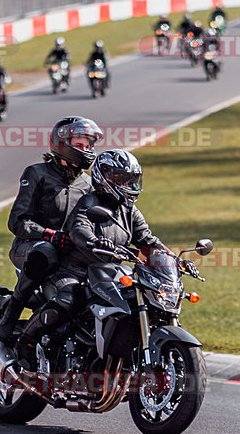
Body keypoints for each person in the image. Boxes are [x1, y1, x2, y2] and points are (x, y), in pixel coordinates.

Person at [14, 149, 166, 370]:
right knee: (69, 299)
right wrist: (95, 241)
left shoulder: (129, 210)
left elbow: (147, 240)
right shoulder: (89, 201)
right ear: (105, 177)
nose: (128, 185)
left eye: (132, 180)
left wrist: (171, 258)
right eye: (122, 179)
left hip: (109, 273)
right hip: (72, 271)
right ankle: (25, 341)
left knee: (134, 299)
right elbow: (79, 229)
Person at [0, 116, 104, 360]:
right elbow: (17, 221)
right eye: (81, 145)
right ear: (63, 144)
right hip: (30, 248)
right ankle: (10, 317)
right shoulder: (37, 173)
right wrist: (48, 235)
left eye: (89, 145)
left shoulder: (88, 183)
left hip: (68, 254)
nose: (87, 150)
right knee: (45, 252)